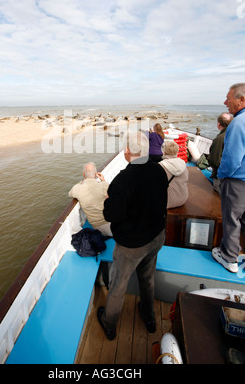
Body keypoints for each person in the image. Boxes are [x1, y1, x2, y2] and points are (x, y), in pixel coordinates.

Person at [97, 131, 168, 339]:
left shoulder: (122, 180)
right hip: (156, 237)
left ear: (127, 151)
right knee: (147, 280)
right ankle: (149, 318)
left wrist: (110, 198)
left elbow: (111, 215)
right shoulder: (158, 170)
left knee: (118, 285)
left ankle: (109, 324)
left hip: (131, 246)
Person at [212, 83, 245, 273]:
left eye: (228, 98)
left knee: (232, 219)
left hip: (237, 182)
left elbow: (231, 159)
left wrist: (222, 176)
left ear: (241, 100)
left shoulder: (238, 123)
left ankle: (229, 258)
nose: (225, 102)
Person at [68, 162, 112, 236]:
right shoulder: (103, 185)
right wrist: (103, 180)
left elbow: (70, 193)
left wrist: (82, 182)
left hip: (97, 227)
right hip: (112, 224)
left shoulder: (77, 189)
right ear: (95, 174)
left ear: (83, 174)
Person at [207, 113, 233, 194]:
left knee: (218, 198)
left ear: (219, 124)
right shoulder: (234, 135)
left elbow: (214, 161)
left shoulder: (220, 139)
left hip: (221, 176)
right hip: (233, 177)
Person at [159, 140, 189, 208]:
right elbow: (186, 179)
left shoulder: (161, 166)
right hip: (183, 199)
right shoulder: (183, 164)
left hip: (168, 202)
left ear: (164, 152)